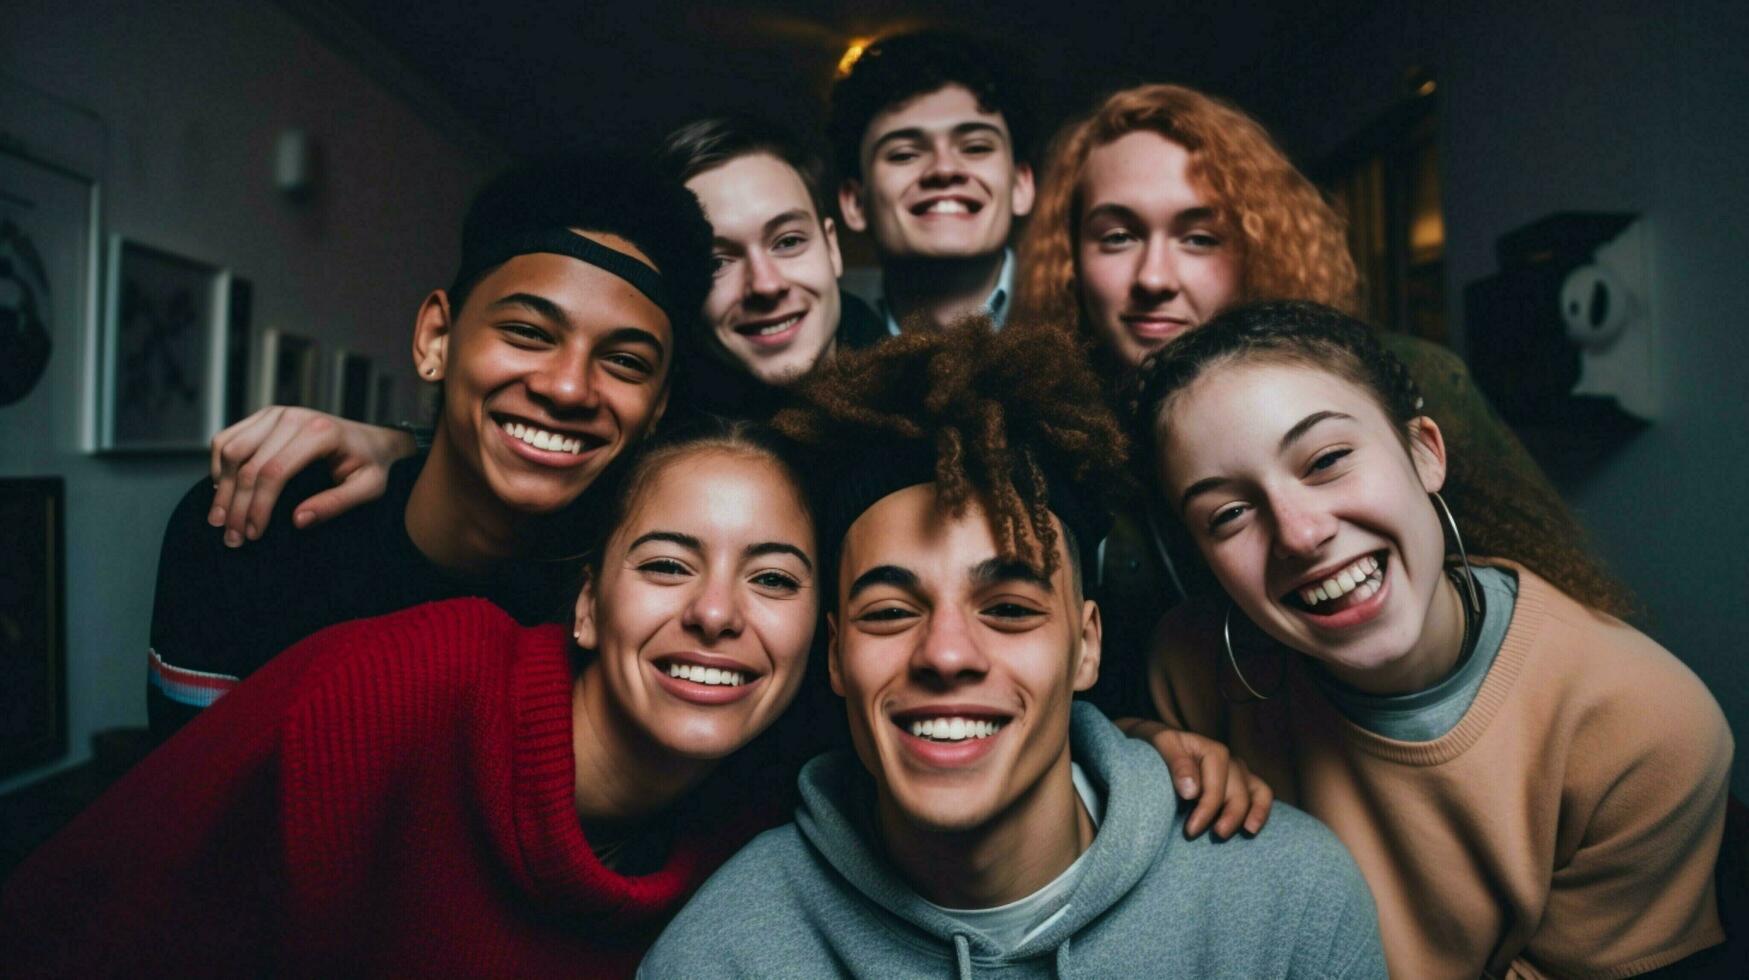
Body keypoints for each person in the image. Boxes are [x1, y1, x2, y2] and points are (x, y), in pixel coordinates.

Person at [640, 320, 1385, 978]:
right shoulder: (719, 955)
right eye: (892, 611)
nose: (946, 653)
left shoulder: (1287, 903)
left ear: (1085, 646)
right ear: (834, 656)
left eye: (1008, 609)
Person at [3, 419, 819, 977]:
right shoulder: (399, 685)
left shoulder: (768, 842)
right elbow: (76, 926)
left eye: (774, 579)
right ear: (585, 605)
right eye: (667, 565)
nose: (715, 613)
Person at [1133, 300, 1732, 978]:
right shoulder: (1190, 665)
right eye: (1229, 514)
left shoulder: (1645, 725)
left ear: (1424, 453)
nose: (1300, 534)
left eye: (1327, 459)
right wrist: (1144, 755)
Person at [1012, 82, 1565, 715]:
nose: (1154, 279)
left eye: (1199, 238)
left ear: (1256, 244)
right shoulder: (1060, 448)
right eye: (1117, 237)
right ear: (1069, 261)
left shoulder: (1410, 380)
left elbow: (1551, 624)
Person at [145, 153, 713, 737]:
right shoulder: (254, 529)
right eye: (527, 333)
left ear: (657, 408)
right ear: (437, 338)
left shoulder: (632, 606)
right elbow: (184, 808)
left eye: (624, 361)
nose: (569, 388)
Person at [658, 113, 888, 419]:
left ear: (832, 248)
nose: (766, 285)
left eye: (788, 242)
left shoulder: (941, 412)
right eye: (716, 262)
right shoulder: (654, 448)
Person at [827, 29, 1036, 334]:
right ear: (855, 203)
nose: (944, 169)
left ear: (1021, 185)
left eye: (976, 147)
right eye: (904, 154)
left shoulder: (1093, 319)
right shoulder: (820, 336)